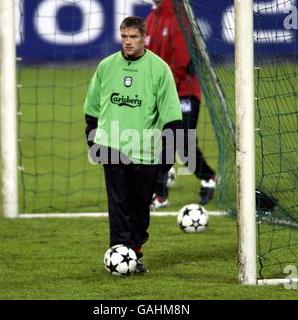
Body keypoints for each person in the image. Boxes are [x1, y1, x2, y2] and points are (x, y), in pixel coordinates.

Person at [84, 16, 182, 273]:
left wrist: (167, 156)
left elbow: (172, 116)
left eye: (133, 37)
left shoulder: (159, 69)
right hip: (111, 146)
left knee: (140, 207)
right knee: (118, 205)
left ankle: (135, 251)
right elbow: (92, 107)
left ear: (143, 38)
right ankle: (119, 253)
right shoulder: (106, 66)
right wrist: (92, 138)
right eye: (124, 37)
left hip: (146, 150)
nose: (128, 42)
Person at [145, 0, 218, 208]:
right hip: (161, 94)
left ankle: (208, 177)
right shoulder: (150, 19)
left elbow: (183, 60)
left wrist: (163, 91)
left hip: (184, 91)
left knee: (182, 142)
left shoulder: (179, 15)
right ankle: (160, 195)